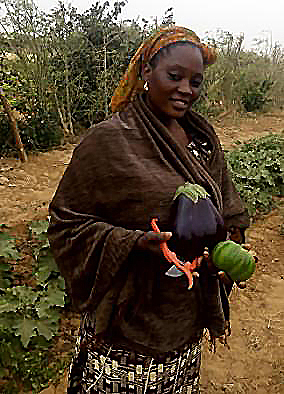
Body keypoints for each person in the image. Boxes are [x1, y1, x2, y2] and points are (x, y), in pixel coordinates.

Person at [48, 26, 250, 394]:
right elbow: (66, 224)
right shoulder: (109, 141)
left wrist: (226, 252)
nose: (186, 90)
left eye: (196, 82)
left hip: (184, 322)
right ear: (145, 72)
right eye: (175, 76)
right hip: (127, 334)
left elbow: (229, 209)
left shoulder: (202, 139)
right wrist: (134, 243)